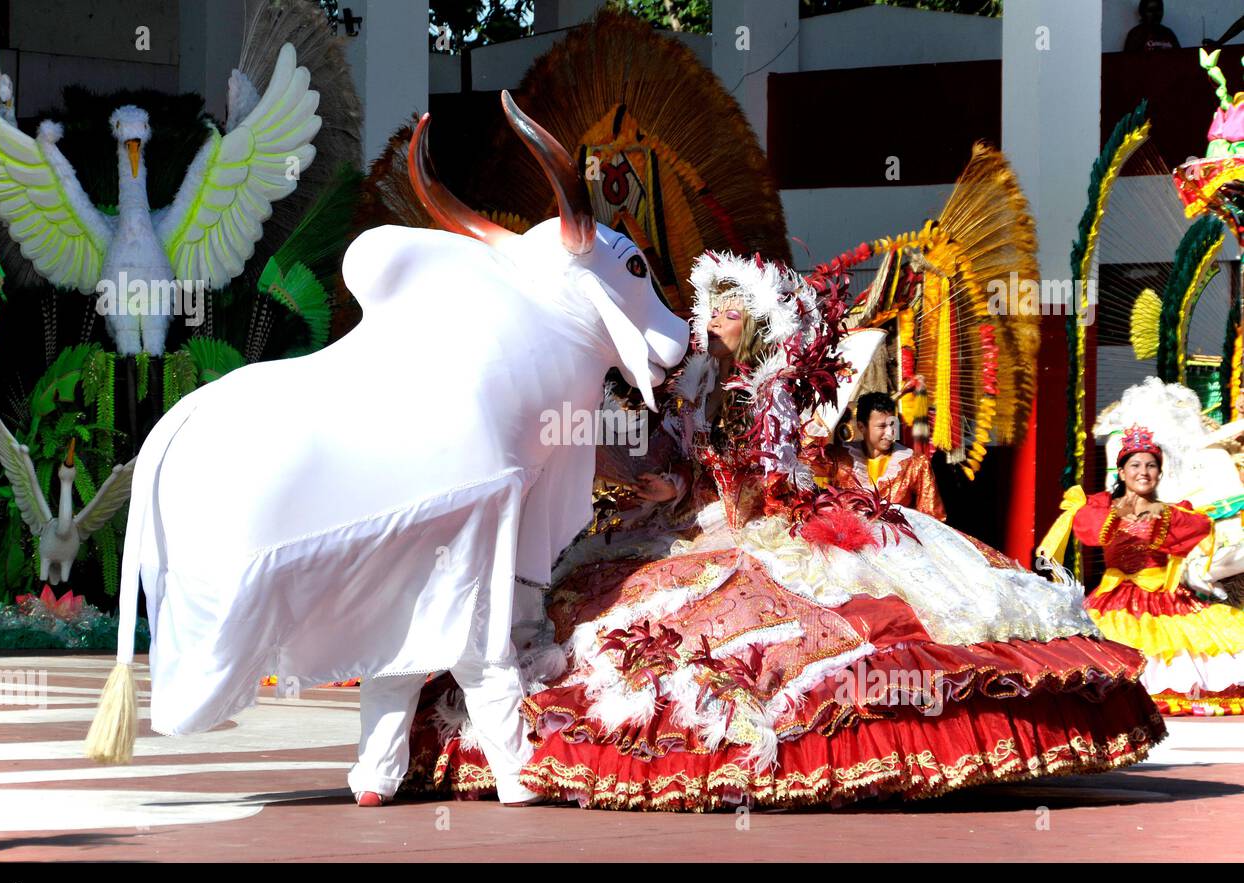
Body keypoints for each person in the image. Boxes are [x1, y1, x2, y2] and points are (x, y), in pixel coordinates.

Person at [406, 250, 1165, 810]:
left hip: (763, 526)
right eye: (710, 311)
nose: (712, 321)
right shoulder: (691, 381)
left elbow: (774, 475)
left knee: (791, 630)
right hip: (684, 525)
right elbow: (674, 455)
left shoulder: (768, 391)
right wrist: (657, 476)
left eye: (730, 310)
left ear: (760, 324)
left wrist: (699, 485)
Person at [1042, 425, 1244, 716]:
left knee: (1184, 653)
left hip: (1167, 599)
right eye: (1135, 465)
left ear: (1159, 474)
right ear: (1121, 472)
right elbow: (1090, 532)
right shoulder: (1100, 509)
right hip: (1113, 601)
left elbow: (1198, 531)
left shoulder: (1175, 514)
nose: (1144, 472)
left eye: (1151, 466)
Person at [823, 391, 946, 520]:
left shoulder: (915, 463)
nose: (889, 433)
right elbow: (806, 464)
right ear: (862, 427)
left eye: (893, 425)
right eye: (881, 426)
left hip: (897, 538)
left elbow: (932, 517)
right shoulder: (839, 458)